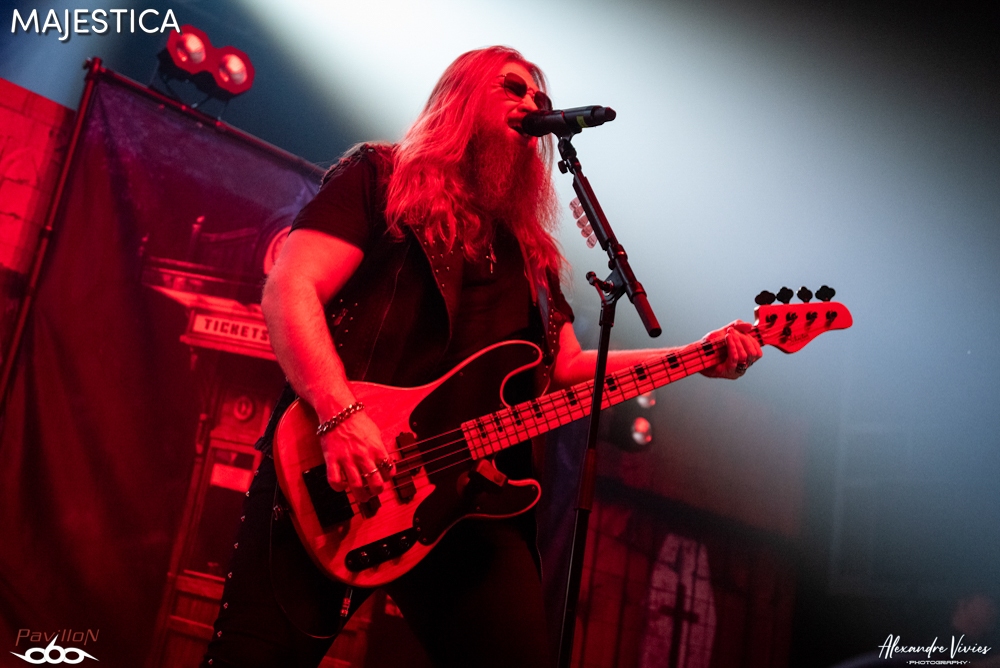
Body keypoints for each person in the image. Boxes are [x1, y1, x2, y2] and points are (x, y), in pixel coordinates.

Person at [200, 45, 762, 668]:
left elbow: (566, 369)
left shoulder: (532, 251)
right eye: (513, 88)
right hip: (346, 468)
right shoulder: (382, 177)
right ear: (461, 99)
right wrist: (338, 413)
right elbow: (291, 287)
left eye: (540, 98)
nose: (532, 104)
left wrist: (698, 355)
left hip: (467, 498)